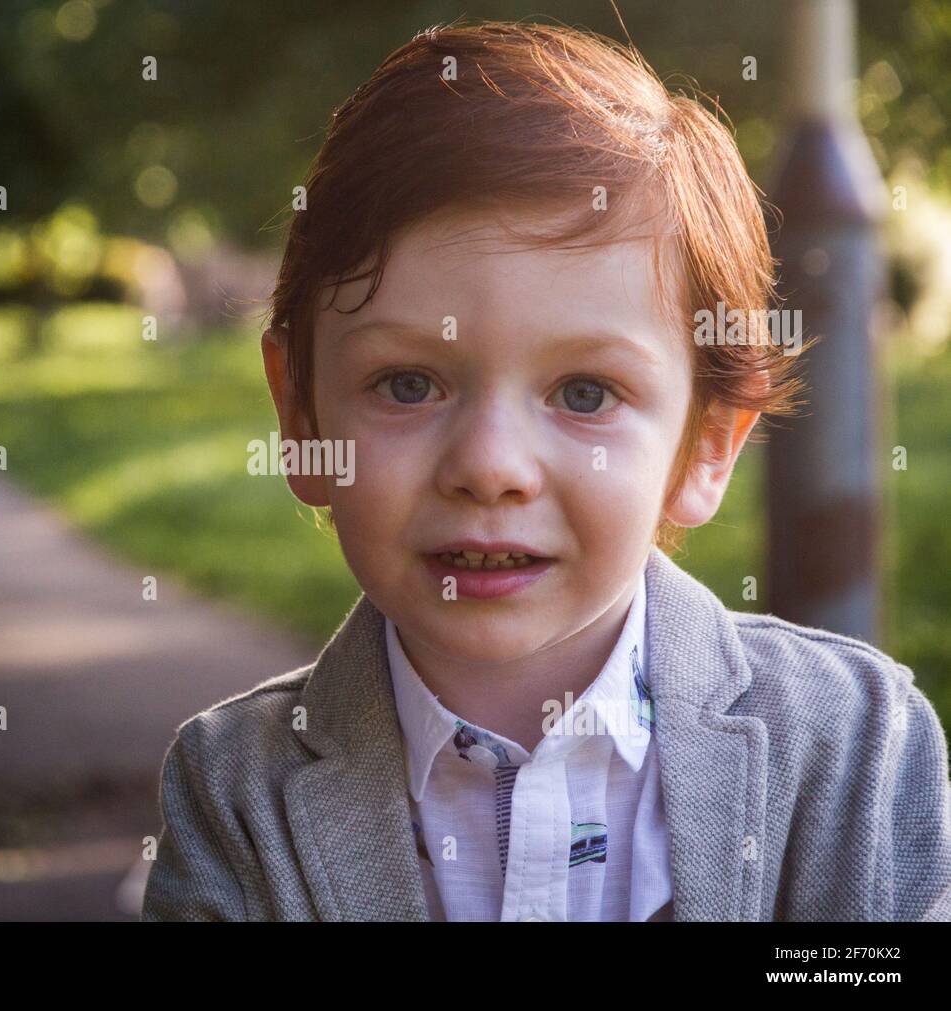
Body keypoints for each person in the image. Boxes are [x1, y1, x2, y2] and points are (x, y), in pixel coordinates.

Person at [141, 19, 951, 921]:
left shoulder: (852, 745)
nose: (490, 468)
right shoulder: (233, 793)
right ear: (300, 415)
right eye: (408, 383)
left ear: (707, 445)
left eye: (585, 393)